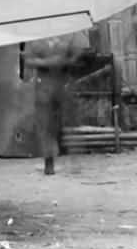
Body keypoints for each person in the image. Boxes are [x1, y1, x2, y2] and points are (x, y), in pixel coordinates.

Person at [26, 29, 90, 175]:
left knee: (71, 122)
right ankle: (49, 163)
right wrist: (48, 62)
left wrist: (67, 60)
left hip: (64, 83)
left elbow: (79, 54)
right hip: (44, 86)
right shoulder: (36, 37)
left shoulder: (69, 33)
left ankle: (75, 160)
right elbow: (28, 59)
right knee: (47, 125)